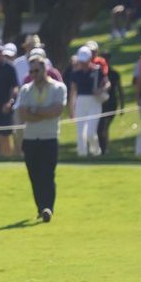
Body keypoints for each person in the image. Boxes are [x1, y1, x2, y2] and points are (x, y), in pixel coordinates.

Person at [14, 57, 66, 222]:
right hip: (30, 139)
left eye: (37, 71)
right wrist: (44, 113)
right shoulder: (26, 90)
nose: (34, 74)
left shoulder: (58, 88)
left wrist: (35, 111)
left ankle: (48, 207)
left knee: (47, 174)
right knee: (34, 176)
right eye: (31, 71)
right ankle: (41, 207)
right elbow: (23, 114)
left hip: (49, 138)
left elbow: (56, 111)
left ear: (45, 70)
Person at [61, 47, 106, 157]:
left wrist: (101, 90)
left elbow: (107, 83)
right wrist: (71, 109)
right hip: (81, 101)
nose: (83, 63)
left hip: (94, 102)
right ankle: (82, 155)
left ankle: (96, 152)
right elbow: (73, 92)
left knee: (90, 132)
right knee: (80, 132)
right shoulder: (76, 73)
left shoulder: (97, 71)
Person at [97, 48, 126, 155]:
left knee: (104, 126)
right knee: (101, 127)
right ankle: (102, 148)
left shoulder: (114, 74)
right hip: (100, 103)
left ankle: (104, 148)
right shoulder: (97, 74)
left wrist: (122, 106)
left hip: (111, 103)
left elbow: (120, 90)